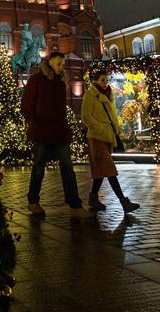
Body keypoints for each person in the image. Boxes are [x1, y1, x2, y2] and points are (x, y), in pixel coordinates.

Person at [21, 51, 91, 219]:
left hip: (60, 132)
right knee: (38, 168)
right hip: (42, 132)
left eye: (63, 64)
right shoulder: (36, 80)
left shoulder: (60, 83)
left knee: (68, 169)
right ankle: (33, 202)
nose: (62, 67)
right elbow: (26, 104)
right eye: (59, 63)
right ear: (50, 63)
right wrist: (34, 122)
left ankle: (74, 205)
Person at [81, 71, 140, 214]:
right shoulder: (90, 94)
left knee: (101, 171)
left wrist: (116, 129)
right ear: (95, 81)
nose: (105, 83)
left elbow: (112, 115)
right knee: (110, 170)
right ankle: (124, 202)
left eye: (106, 80)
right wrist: (101, 129)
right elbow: (86, 116)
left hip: (107, 137)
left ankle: (93, 199)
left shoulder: (108, 94)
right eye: (102, 80)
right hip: (97, 137)